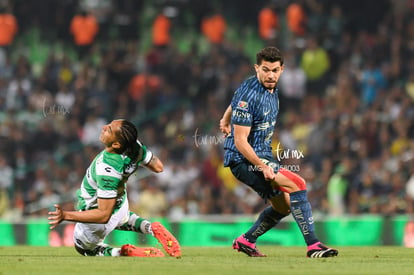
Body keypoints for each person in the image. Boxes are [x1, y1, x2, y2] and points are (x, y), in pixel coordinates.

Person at [219, 46, 338, 258]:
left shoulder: (259, 86)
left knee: (282, 207)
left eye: (275, 70)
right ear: (257, 68)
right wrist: (263, 166)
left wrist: (225, 118)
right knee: (298, 184)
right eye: (265, 70)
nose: (270, 75)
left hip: (261, 155)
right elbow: (240, 141)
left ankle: (246, 240)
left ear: (282, 70)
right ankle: (313, 246)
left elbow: (233, 101)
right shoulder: (251, 95)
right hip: (244, 159)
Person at [48, 119, 181, 258]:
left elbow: (103, 215)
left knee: (84, 248)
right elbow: (158, 167)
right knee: (122, 218)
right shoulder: (136, 147)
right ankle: (151, 228)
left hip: (98, 218)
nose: (104, 127)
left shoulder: (107, 169)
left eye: (109, 129)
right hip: (120, 204)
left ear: (116, 144)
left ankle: (123, 252)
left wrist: (65, 216)